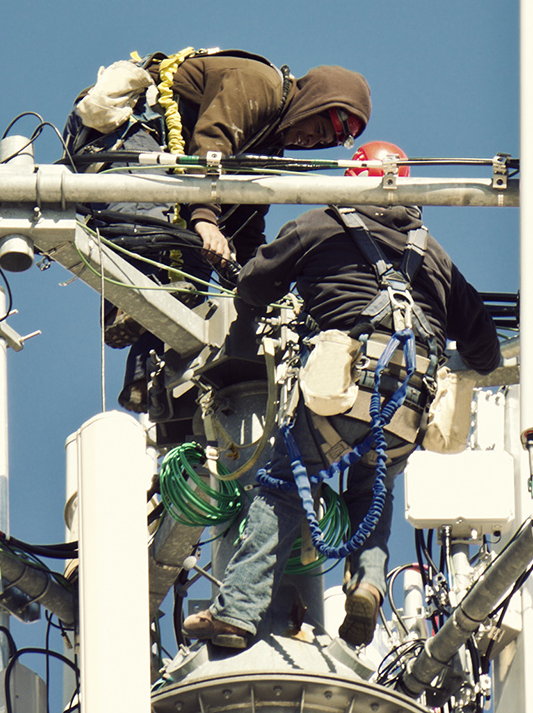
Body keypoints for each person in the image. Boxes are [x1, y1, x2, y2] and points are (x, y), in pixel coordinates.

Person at [182, 142, 501, 651]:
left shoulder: (320, 224)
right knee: (372, 488)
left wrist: (246, 324)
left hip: (342, 394)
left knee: (281, 487)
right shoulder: (438, 256)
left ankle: (238, 612)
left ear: (350, 179)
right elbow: (485, 351)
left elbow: (257, 280)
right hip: (408, 412)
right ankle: (369, 582)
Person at [64, 49, 371, 408]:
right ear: (311, 101)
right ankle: (127, 304)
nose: (312, 142)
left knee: (191, 273)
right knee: (151, 211)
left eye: (323, 143)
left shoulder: (269, 147)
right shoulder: (260, 86)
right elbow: (212, 144)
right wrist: (207, 222)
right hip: (124, 133)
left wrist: (251, 276)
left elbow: (246, 219)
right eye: (316, 129)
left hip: (177, 173)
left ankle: (148, 378)